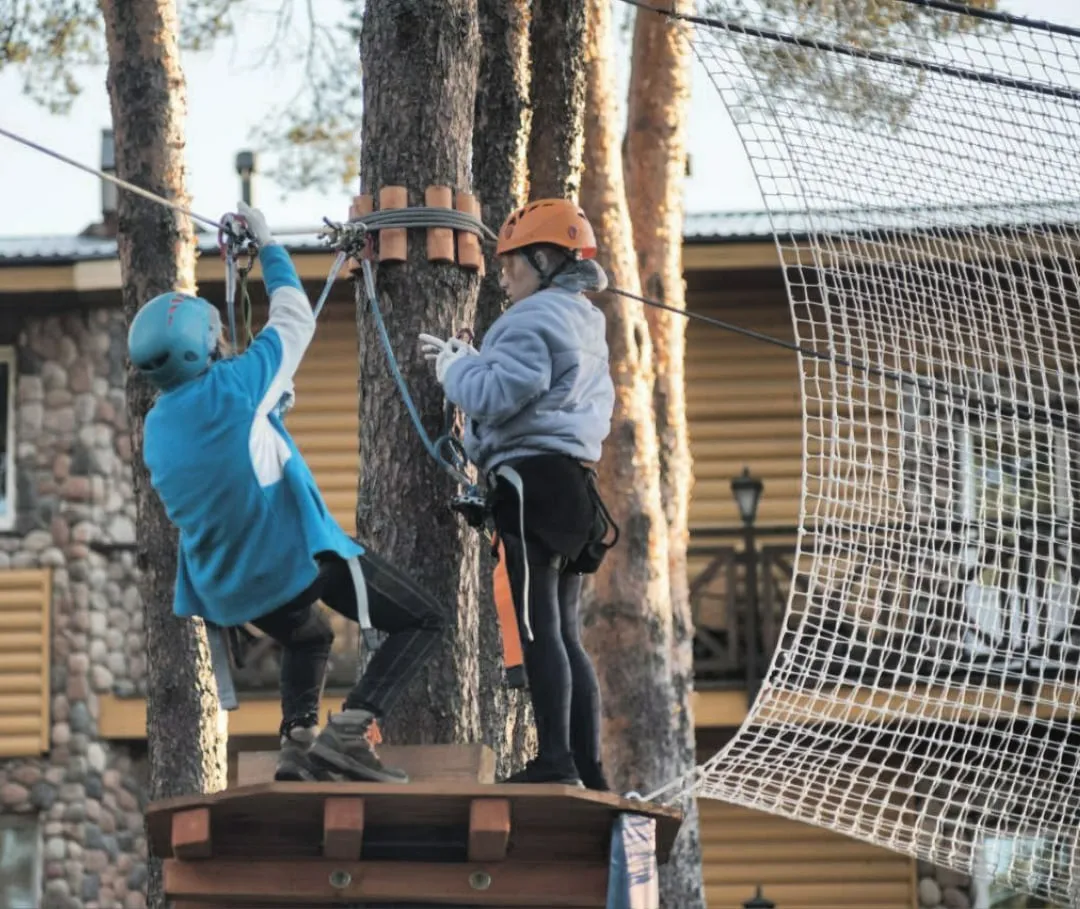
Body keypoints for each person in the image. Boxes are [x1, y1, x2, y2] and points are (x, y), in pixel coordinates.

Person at [128, 201, 448, 785]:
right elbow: (294, 320)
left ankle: (298, 741)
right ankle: (350, 732)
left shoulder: (157, 427)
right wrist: (272, 246)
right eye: (215, 335)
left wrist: (268, 412)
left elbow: (227, 455)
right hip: (292, 560)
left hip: (232, 590)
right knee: (423, 620)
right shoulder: (236, 386)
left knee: (312, 636)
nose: (225, 339)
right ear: (201, 348)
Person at [420, 199, 617, 790]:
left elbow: (501, 392)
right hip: (573, 484)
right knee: (564, 632)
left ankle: (556, 761)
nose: (502, 276)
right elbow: (534, 385)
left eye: (511, 264)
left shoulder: (530, 320)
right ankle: (589, 769)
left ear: (545, 259)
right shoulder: (582, 320)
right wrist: (476, 362)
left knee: (536, 629)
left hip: (530, 483)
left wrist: (456, 369)